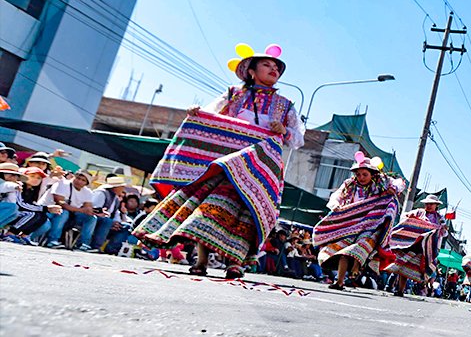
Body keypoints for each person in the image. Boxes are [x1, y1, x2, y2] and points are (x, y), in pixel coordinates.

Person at [135, 44, 302, 279]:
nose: (273, 69)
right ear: (251, 71)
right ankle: (201, 261)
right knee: (208, 210)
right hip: (222, 167)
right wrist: (196, 112)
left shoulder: (286, 105)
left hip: (258, 172)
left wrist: (283, 129)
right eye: (267, 65)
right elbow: (211, 115)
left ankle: (235, 264)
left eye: (276, 67)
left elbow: (297, 140)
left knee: (246, 216)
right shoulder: (234, 94)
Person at [313, 152, 405, 291]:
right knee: (343, 251)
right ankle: (339, 282)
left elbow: (400, 182)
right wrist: (335, 205)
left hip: (372, 225)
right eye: (358, 174)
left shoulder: (382, 182)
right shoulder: (349, 185)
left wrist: (394, 188)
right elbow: (337, 194)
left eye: (364, 174)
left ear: (372, 174)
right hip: (351, 225)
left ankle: (356, 269)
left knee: (361, 245)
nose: (361, 177)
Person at [387, 194, 450, 297]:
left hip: (427, 248)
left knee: (422, 269)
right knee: (403, 266)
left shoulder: (440, 218)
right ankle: (400, 290)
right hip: (412, 244)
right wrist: (411, 219)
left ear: (436, 205)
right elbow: (404, 217)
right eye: (427, 204)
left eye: (431, 204)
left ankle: (422, 287)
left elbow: (444, 234)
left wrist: (443, 229)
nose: (428, 206)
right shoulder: (418, 212)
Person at [39, 171, 98, 250]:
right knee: (63, 212)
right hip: (47, 210)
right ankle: (52, 240)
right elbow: (60, 203)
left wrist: (95, 212)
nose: (79, 181)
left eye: (83, 180)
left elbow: (87, 208)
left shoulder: (87, 192)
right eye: (78, 178)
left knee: (92, 218)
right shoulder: (63, 184)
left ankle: (83, 244)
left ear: (86, 183)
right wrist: (81, 210)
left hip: (71, 214)